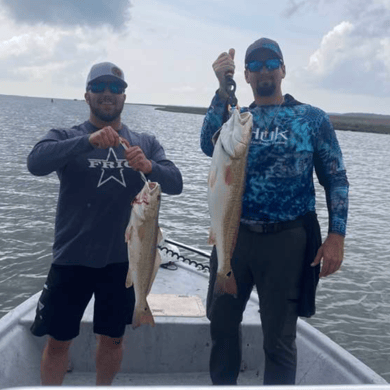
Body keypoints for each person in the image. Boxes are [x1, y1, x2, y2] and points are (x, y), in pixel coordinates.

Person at [200, 38, 349, 385]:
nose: (264, 69)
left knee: (279, 341)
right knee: (221, 327)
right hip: (233, 238)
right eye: (254, 65)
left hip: (288, 242)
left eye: (271, 62)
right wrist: (222, 90)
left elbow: (336, 179)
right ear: (247, 77)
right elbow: (207, 142)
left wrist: (336, 235)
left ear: (283, 69)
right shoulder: (238, 119)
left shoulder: (311, 118)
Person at [27, 62, 183, 385]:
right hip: (71, 259)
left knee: (112, 340)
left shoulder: (145, 141)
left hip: (124, 264)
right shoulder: (67, 136)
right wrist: (88, 142)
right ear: (87, 96)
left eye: (115, 88)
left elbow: (176, 182)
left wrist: (149, 166)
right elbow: (36, 162)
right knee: (58, 341)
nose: (107, 94)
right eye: (99, 87)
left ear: (125, 97)